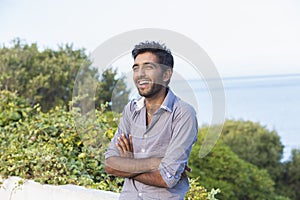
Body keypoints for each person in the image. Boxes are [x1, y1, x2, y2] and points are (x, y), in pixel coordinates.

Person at [104, 41, 198, 199]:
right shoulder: (131, 110)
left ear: (166, 74)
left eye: (148, 67)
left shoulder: (183, 113)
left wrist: (129, 164)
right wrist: (155, 162)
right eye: (136, 68)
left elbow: (167, 178)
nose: (140, 74)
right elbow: (110, 165)